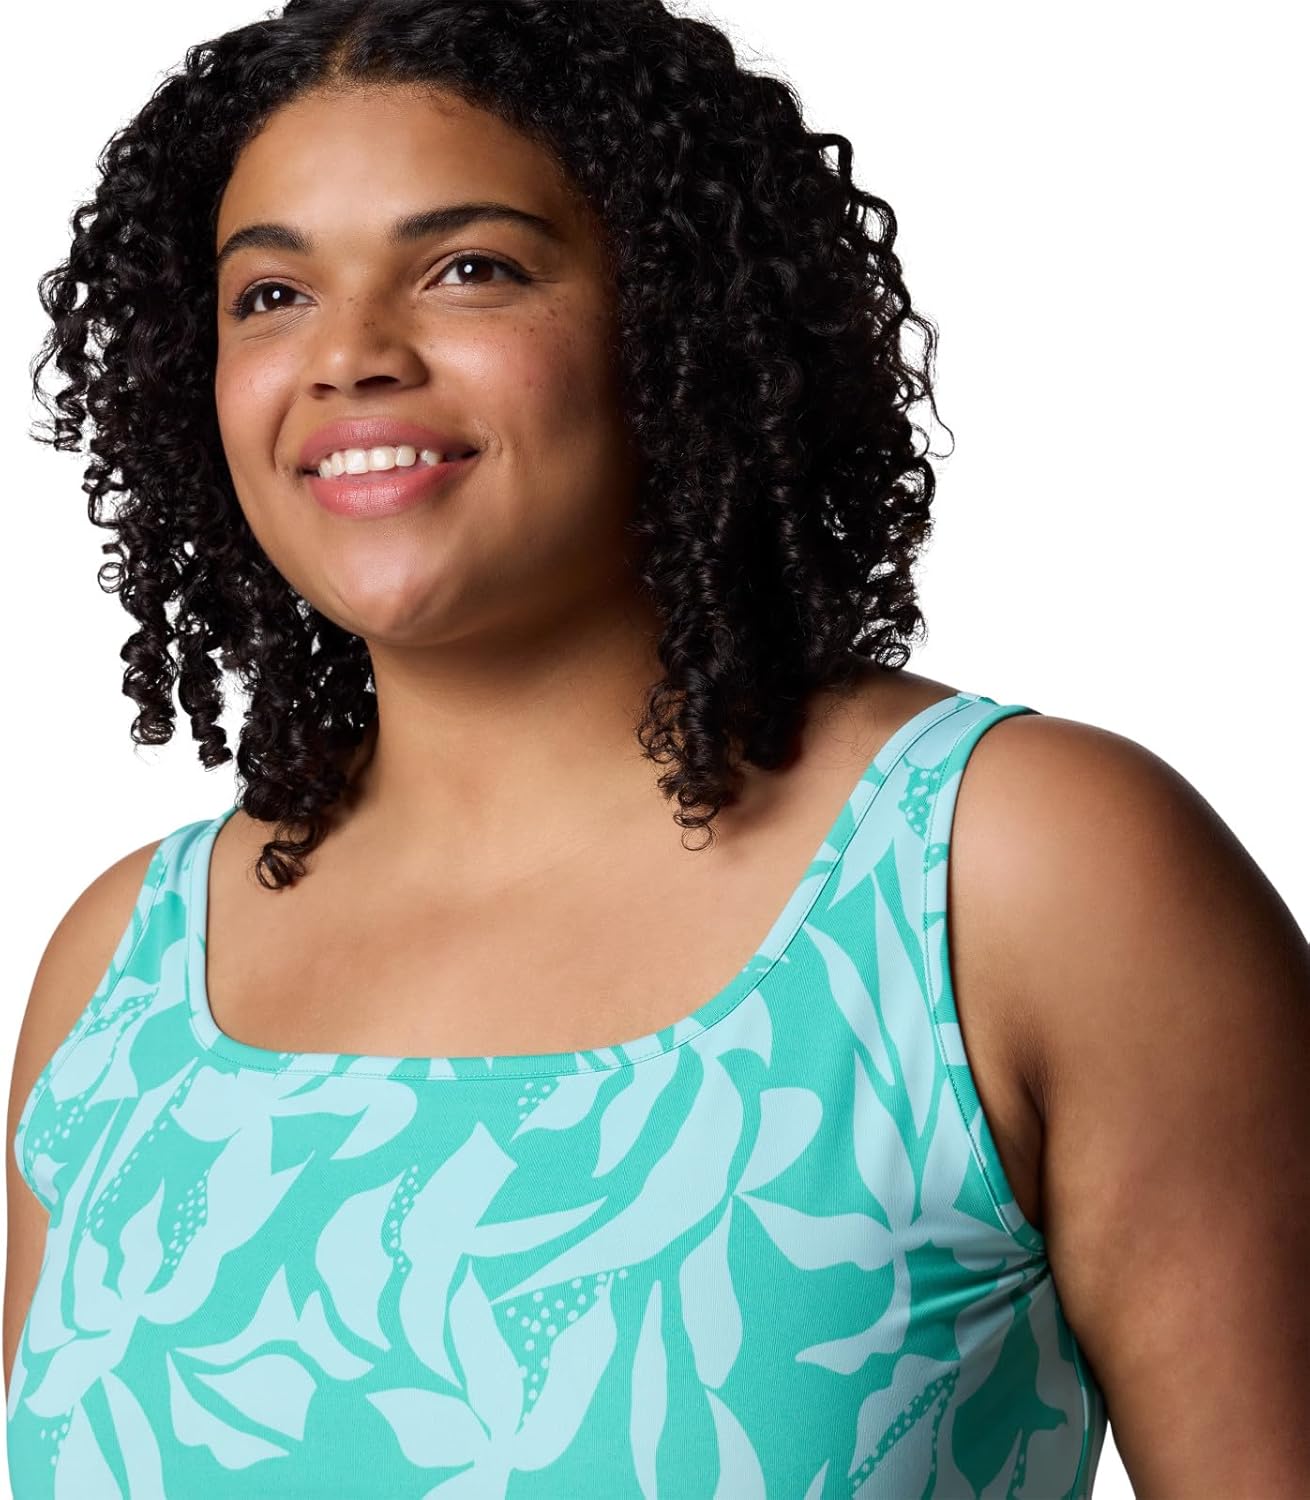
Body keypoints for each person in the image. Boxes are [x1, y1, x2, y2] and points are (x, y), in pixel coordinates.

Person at [5, 1, 1307, 1496]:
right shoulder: (123, 969)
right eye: (272, 294)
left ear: (677, 316)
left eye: (471, 269)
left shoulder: (1013, 872)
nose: (349, 355)